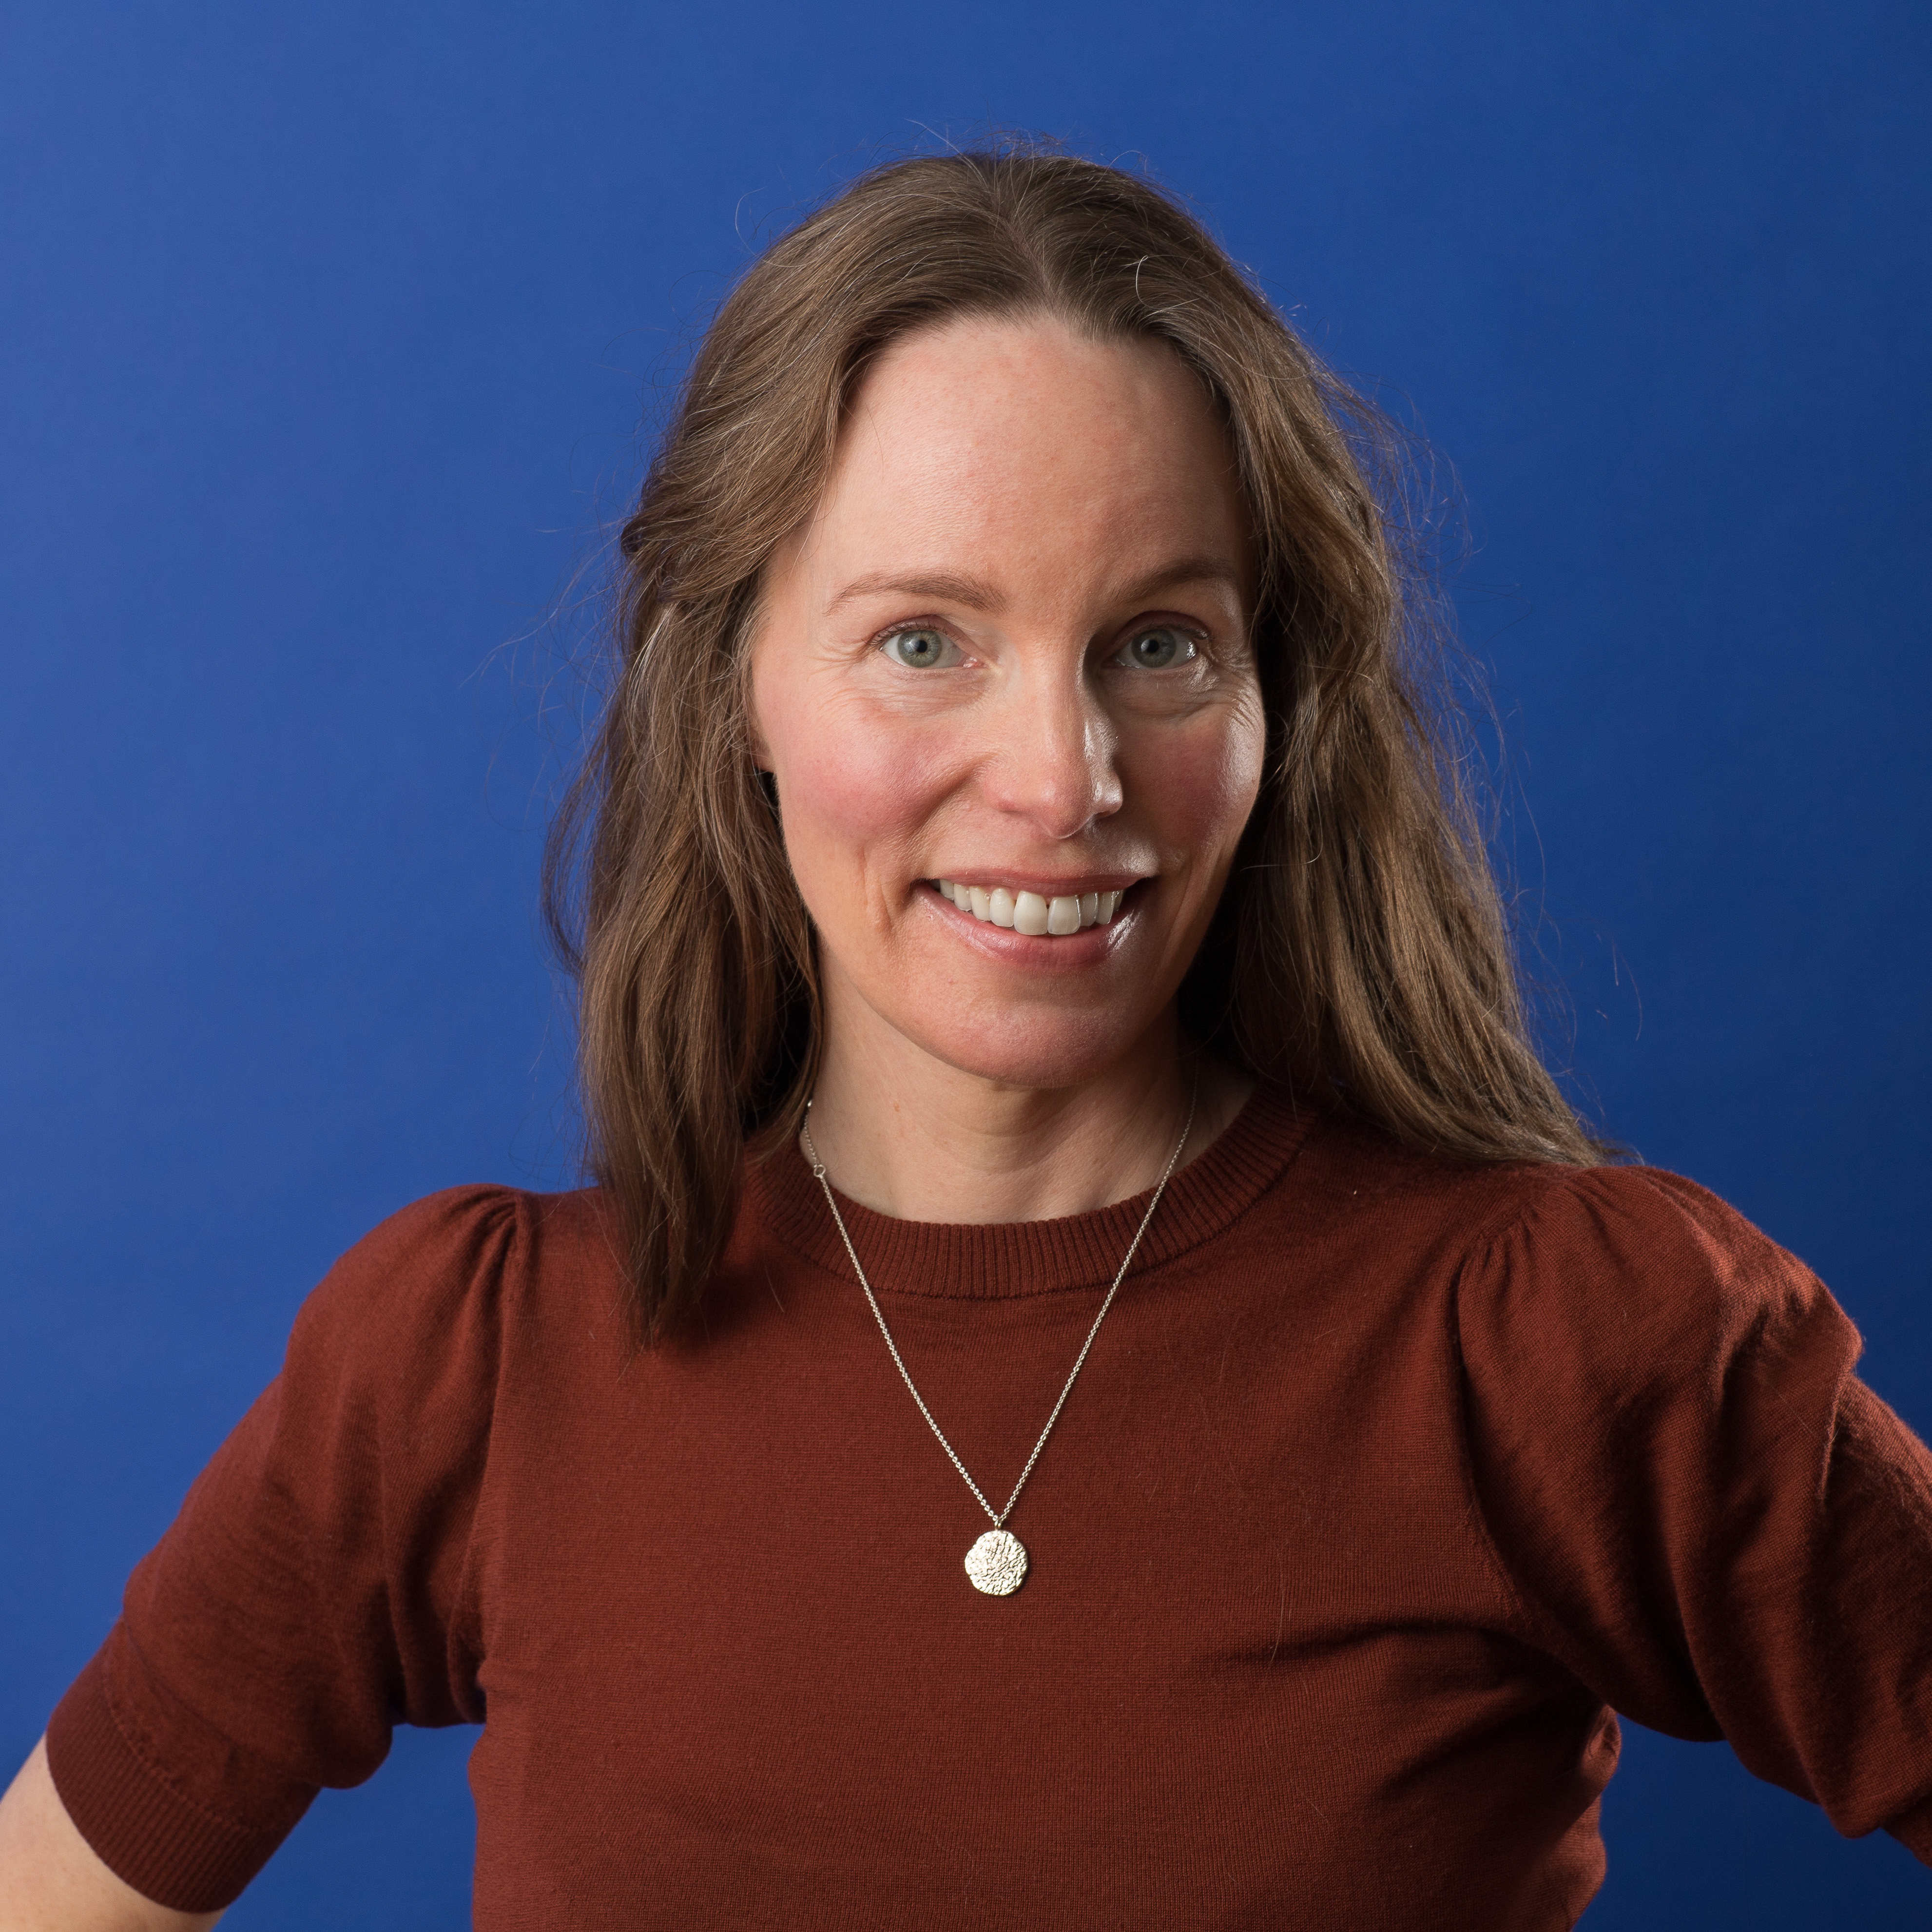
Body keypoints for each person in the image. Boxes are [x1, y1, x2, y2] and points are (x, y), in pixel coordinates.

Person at [2, 146, 1928, 1932]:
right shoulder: (469, 1363)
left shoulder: (1569, 1338)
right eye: (924, 639)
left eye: (1158, 642)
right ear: (735, 687)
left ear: (1274, 699)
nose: (1061, 777)